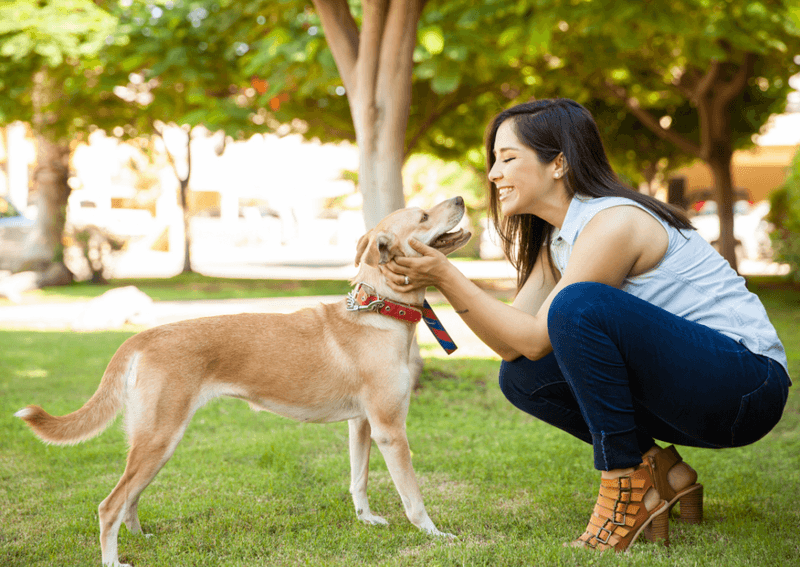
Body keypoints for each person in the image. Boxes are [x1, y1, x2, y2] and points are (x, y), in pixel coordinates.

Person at [381, 98, 791, 551]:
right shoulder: (555, 241)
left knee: (577, 306)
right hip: (698, 389)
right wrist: (440, 278)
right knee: (521, 378)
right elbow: (516, 346)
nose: (494, 174)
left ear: (559, 163)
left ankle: (624, 483)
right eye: (493, 160)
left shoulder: (614, 222)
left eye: (508, 158)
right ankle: (664, 472)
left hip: (747, 385)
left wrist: (445, 274)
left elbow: (540, 336)